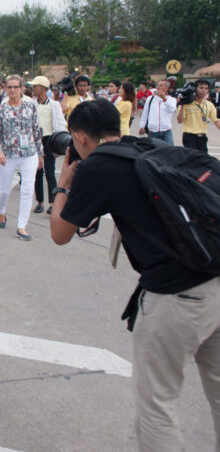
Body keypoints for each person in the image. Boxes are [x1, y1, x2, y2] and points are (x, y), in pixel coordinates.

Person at [50, 99, 220, 451]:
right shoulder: (150, 147)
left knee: (157, 405)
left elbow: (60, 234)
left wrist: (64, 183)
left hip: (175, 298)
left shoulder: (98, 167)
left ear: (80, 137)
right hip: (215, 277)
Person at [0, 74, 44, 240]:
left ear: (22, 89)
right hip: (7, 154)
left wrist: (40, 153)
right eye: (10, 87)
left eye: (16, 87)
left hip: (29, 153)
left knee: (27, 190)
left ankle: (22, 226)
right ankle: (1, 211)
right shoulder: (1, 109)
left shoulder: (30, 107)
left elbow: (37, 130)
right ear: (6, 89)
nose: (13, 90)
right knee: (4, 190)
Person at [31, 76, 66, 215]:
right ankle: (39, 201)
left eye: (36, 86)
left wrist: (59, 143)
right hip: (35, 140)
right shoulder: (32, 104)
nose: (33, 89)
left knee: (50, 172)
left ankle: (52, 202)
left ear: (44, 88)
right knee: (37, 172)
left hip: (49, 139)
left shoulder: (54, 104)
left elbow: (61, 123)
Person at [177, 78, 220, 152]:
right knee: (193, 159)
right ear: (195, 89)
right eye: (201, 88)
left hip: (202, 137)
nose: (203, 90)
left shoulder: (209, 105)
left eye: (206, 88)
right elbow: (180, 120)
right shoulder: (186, 104)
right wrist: (182, 105)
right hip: (189, 137)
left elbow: (216, 121)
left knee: (203, 160)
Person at [137, 79, 177, 145]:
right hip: (153, 131)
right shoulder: (150, 99)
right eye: (157, 85)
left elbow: (172, 109)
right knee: (154, 152)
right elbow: (145, 113)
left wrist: (164, 99)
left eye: (161, 85)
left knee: (170, 150)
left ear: (166, 88)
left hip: (166, 130)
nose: (158, 87)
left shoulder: (171, 99)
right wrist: (142, 126)